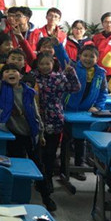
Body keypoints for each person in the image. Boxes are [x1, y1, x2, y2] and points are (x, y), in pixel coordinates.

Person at [0, 49, 52, 211]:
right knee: (15, 164)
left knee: (38, 164)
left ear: (20, 75)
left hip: (30, 133)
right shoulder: (1, 88)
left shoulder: (28, 92)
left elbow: (35, 114)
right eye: (7, 71)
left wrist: (41, 133)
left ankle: (46, 196)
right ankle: (14, 198)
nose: (11, 73)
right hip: (12, 134)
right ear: (3, 77)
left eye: (14, 71)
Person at [32, 52, 80, 196]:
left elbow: (75, 88)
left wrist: (71, 73)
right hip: (37, 118)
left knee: (51, 152)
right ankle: (39, 179)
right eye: (42, 64)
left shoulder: (59, 78)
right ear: (37, 65)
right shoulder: (33, 77)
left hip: (55, 118)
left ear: (52, 64)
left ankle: (48, 179)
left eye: (48, 63)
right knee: (39, 151)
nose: (45, 66)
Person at [60, 45, 108, 181]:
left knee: (81, 140)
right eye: (85, 55)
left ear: (97, 59)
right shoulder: (74, 67)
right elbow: (63, 57)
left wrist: (98, 107)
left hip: (84, 113)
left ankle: (78, 166)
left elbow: (103, 93)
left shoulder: (100, 73)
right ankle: (63, 168)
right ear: (79, 56)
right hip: (68, 110)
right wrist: (58, 45)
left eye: (92, 56)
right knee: (66, 140)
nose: (88, 59)